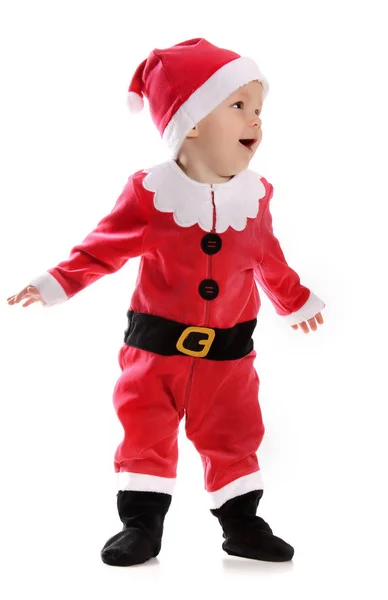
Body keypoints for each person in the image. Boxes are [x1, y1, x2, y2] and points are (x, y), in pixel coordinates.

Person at [7, 38, 325, 566]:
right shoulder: (151, 194)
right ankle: (142, 526)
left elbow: (268, 258)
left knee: (235, 432)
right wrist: (54, 282)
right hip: (156, 352)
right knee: (146, 429)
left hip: (229, 357)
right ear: (192, 122)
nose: (257, 121)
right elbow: (103, 246)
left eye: (259, 110)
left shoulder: (256, 197)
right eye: (239, 106)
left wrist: (295, 302)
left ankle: (242, 524)